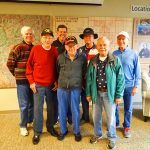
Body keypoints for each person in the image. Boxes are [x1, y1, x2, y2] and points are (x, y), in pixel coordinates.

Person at [86, 36, 125, 149]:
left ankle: (112, 137)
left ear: (109, 46)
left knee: (111, 117)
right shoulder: (93, 61)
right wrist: (88, 93)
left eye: (105, 45)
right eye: (100, 45)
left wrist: (118, 95)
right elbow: (89, 78)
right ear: (97, 46)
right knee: (96, 116)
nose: (102, 47)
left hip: (110, 94)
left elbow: (121, 79)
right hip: (96, 93)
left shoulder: (115, 60)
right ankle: (97, 134)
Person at [26, 28, 59, 145]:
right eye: (45, 37)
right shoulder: (35, 49)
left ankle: (50, 128)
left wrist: (56, 81)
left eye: (49, 37)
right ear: (41, 38)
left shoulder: (55, 50)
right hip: (38, 86)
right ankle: (37, 132)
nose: (47, 39)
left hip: (51, 86)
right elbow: (29, 67)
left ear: (52, 39)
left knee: (52, 109)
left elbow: (57, 68)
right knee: (38, 110)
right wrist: (31, 82)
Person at [57, 36, 87, 142]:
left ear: (77, 46)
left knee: (75, 110)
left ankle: (76, 131)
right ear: (65, 46)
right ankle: (63, 131)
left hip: (75, 88)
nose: (71, 48)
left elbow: (85, 72)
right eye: (69, 46)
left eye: (73, 45)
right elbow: (57, 71)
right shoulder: (60, 57)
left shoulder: (83, 57)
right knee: (62, 110)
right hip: (62, 88)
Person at [7, 26, 34, 136]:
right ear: (23, 35)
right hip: (22, 81)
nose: (29, 36)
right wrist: (16, 74)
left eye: (30, 34)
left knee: (32, 103)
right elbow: (10, 63)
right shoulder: (18, 48)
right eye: (26, 34)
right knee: (24, 105)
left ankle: (30, 121)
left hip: (33, 81)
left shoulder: (35, 48)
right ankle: (23, 125)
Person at [113, 31, 141, 138]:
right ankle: (115, 123)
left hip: (129, 86)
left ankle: (127, 126)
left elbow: (137, 71)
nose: (121, 41)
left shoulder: (133, 53)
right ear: (117, 41)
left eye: (123, 39)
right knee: (114, 106)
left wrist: (136, 86)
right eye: (119, 39)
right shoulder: (114, 54)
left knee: (128, 108)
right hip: (116, 86)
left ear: (127, 40)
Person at [52, 24, 72, 124]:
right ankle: (57, 118)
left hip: (68, 76)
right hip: (57, 76)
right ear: (57, 33)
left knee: (68, 99)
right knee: (57, 100)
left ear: (67, 33)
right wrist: (55, 79)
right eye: (60, 32)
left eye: (64, 32)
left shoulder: (70, 44)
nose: (62, 34)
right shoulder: (53, 45)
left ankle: (68, 118)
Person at [78, 27, 98, 124]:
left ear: (93, 37)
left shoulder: (98, 49)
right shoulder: (79, 50)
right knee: (84, 99)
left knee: (95, 100)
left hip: (95, 80)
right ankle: (85, 117)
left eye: (90, 36)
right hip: (83, 80)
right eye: (86, 37)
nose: (88, 38)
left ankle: (95, 118)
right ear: (83, 38)